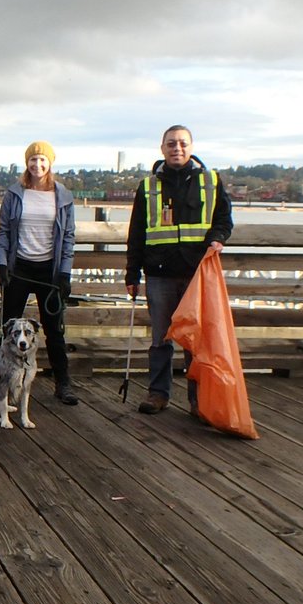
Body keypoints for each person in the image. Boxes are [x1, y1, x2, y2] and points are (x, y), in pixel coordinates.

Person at [125, 125, 233, 414]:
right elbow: (136, 232)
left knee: (195, 340)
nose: (177, 148)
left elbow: (224, 220)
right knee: (160, 338)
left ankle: (199, 400)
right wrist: (131, 273)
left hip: (196, 275)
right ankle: (158, 394)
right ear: (162, 149)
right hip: (158, 274)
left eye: (182, 143)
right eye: (171, 144)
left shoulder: (211, 181)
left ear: (191, 147)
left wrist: (217, 239)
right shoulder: (148, 186)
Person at [0, 141, 79, 406]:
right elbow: (5, 231)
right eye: (33, 160)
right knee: (9, 328)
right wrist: (1, 264)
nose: (37, 165)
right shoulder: (15, 193)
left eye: (42, 160)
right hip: (19, 267)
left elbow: (68, 238)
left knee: (54, 329)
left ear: (50, 163)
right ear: (26, 163)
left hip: (48, 269)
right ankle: (3, 380)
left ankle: (63, 382)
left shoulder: (63, 196)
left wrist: (64, 274)